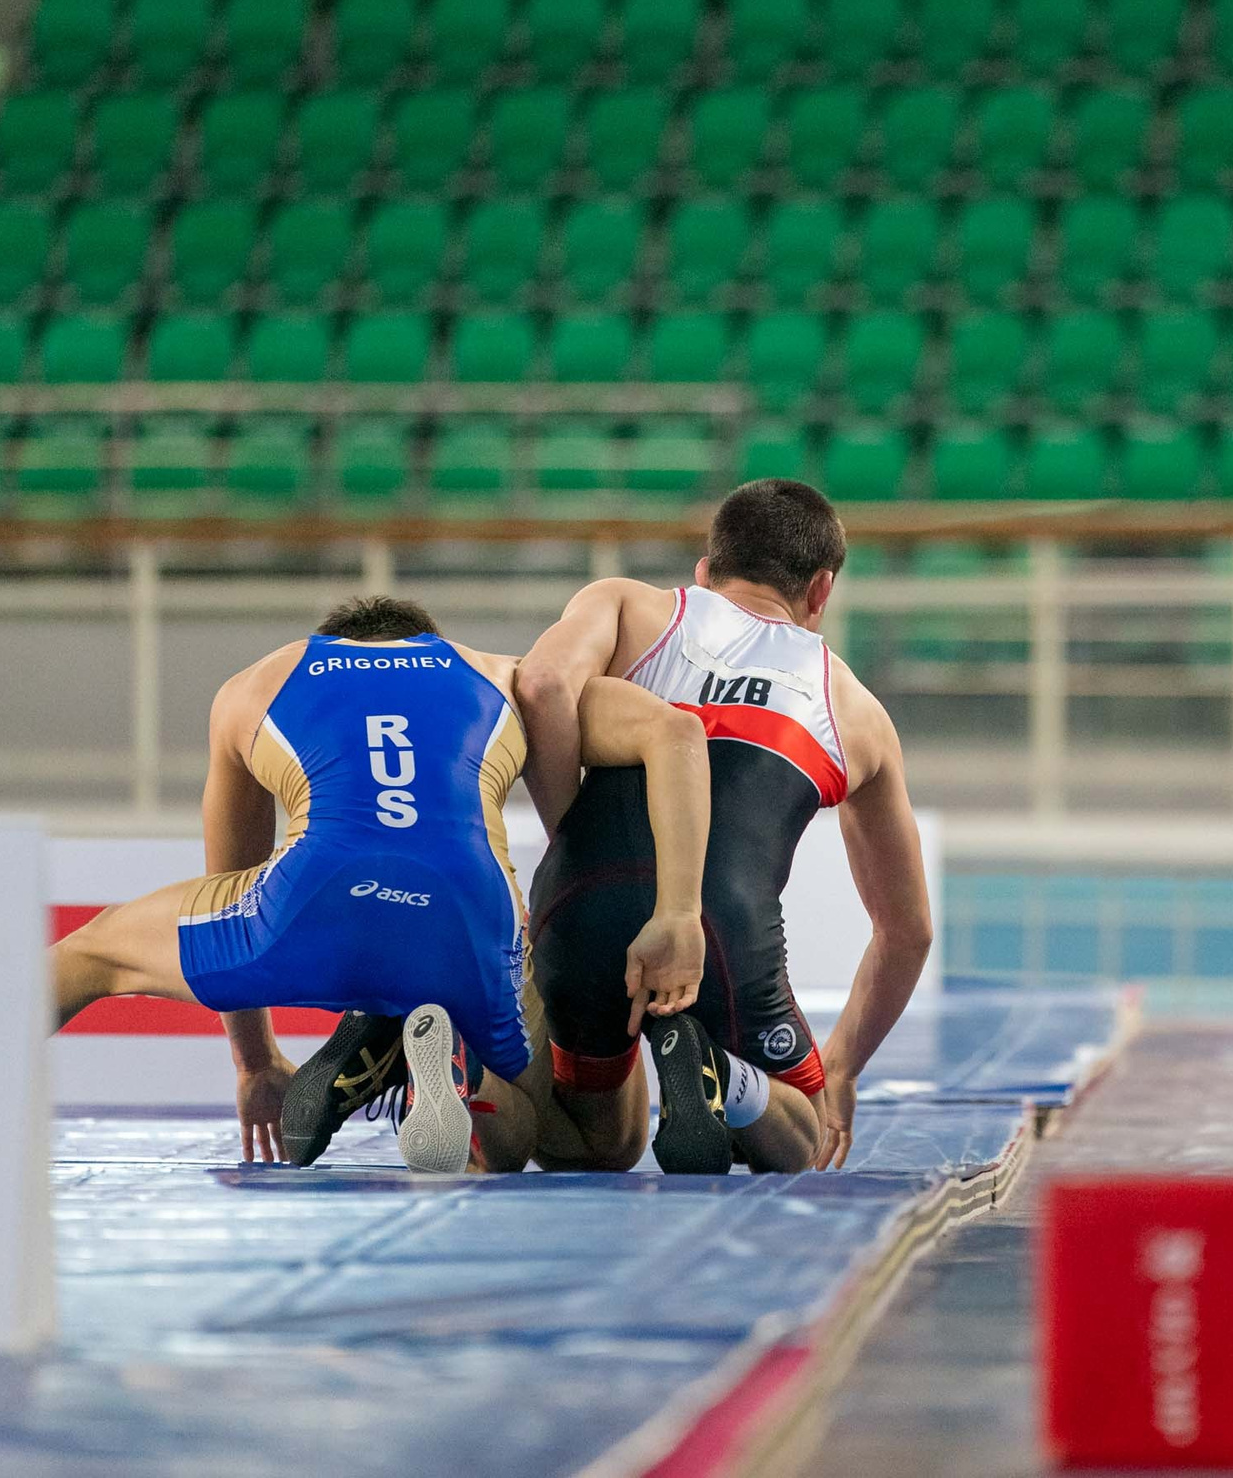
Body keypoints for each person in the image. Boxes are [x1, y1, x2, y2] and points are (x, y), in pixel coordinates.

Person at [50, 595, 713, 1174]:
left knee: (91, 953)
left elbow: (228, 872)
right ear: (426, 637)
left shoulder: (253, 686)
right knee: (567, 1138)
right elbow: (675, 729)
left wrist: (255, 1063)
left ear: (334, 637)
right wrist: (678, 908)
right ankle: (463, 1072)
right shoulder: (503, 675)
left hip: (311, 902)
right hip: (467, 918)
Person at [510, 478, 934, 1175]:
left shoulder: (632, 606)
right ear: (821, 591)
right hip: (723, 935)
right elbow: (906, 929)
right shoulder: (855, 709)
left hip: (581, 903)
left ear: (705, 572)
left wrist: (571, 839)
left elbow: (541, 686)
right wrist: (844, 1068)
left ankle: (475, 1072)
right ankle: (722, 1076)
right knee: (798, 1137)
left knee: (593, 1143)